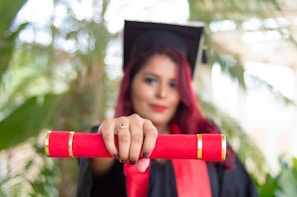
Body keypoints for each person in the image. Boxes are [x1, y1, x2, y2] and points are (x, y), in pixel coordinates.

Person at [76, 20, 259, 197]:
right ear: (130, 83)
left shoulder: (207, 139)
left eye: (174, 84)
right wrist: (115, 139)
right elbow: (96, 173)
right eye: (151, 80)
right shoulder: (113, 139)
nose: (162, 94)